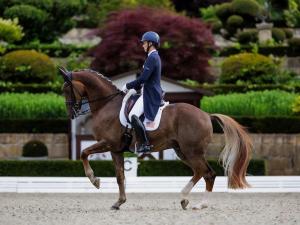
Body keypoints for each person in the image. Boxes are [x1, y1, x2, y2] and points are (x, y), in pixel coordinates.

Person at [122, 31, 163, 153]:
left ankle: (144, 144)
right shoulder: (152, 57)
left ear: (151, 43)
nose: (143, 45)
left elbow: (143, 78)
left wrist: (128, 86)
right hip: (147, 91)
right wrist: (136, 88)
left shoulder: (153, 57)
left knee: (132, 115)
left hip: (150, 94)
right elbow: (146, 80)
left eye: (144, 43)